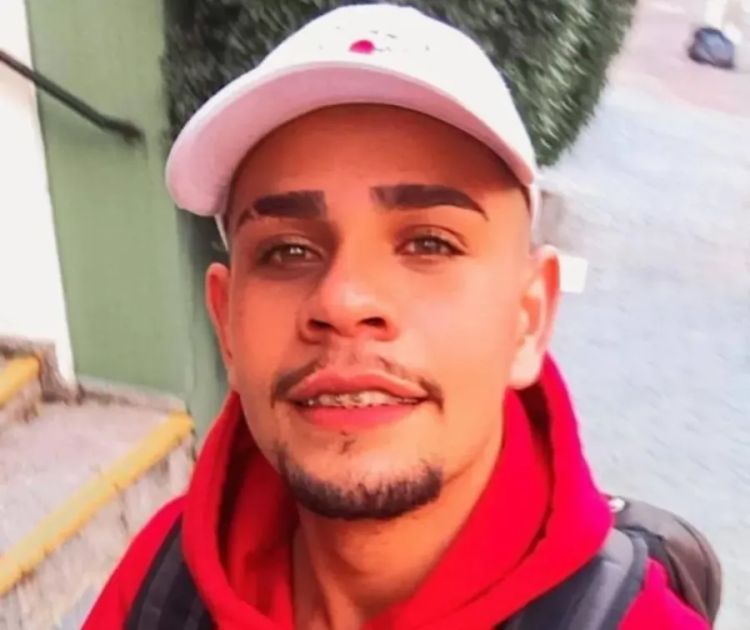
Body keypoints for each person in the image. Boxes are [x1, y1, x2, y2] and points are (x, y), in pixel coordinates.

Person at [85, 5, 713, 629]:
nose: (343, 302)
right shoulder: (164, 583)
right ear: (226, 324)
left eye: (429, 244)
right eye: (287, 251)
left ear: (528, 317)